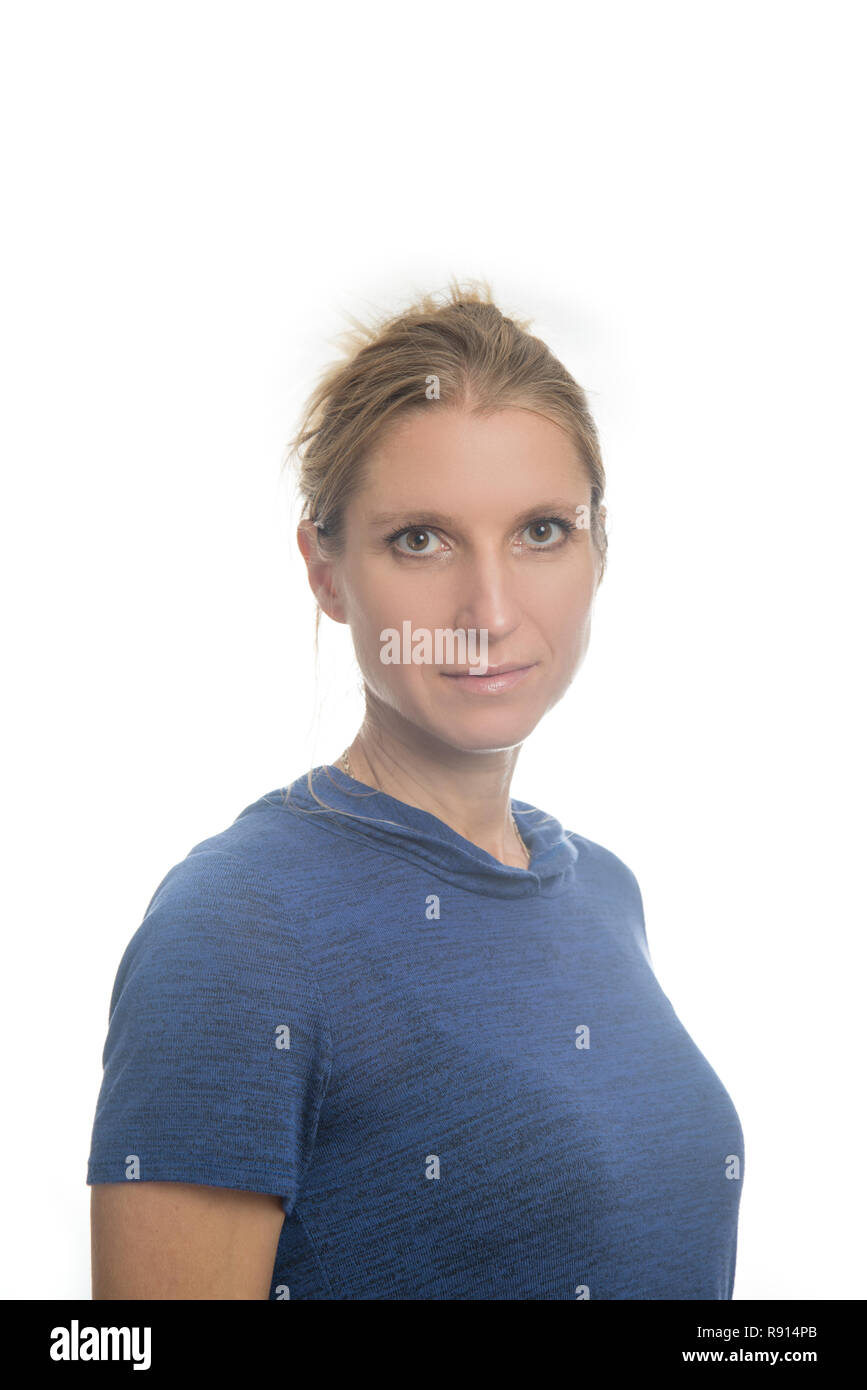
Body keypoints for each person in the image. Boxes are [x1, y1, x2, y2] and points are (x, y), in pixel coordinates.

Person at [87, 278, 744, 1299]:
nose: (488, 610)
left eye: (540, 532)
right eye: (420, 539)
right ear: (326, 570)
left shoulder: (603, 892)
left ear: (599, 546)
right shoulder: (238, 926)